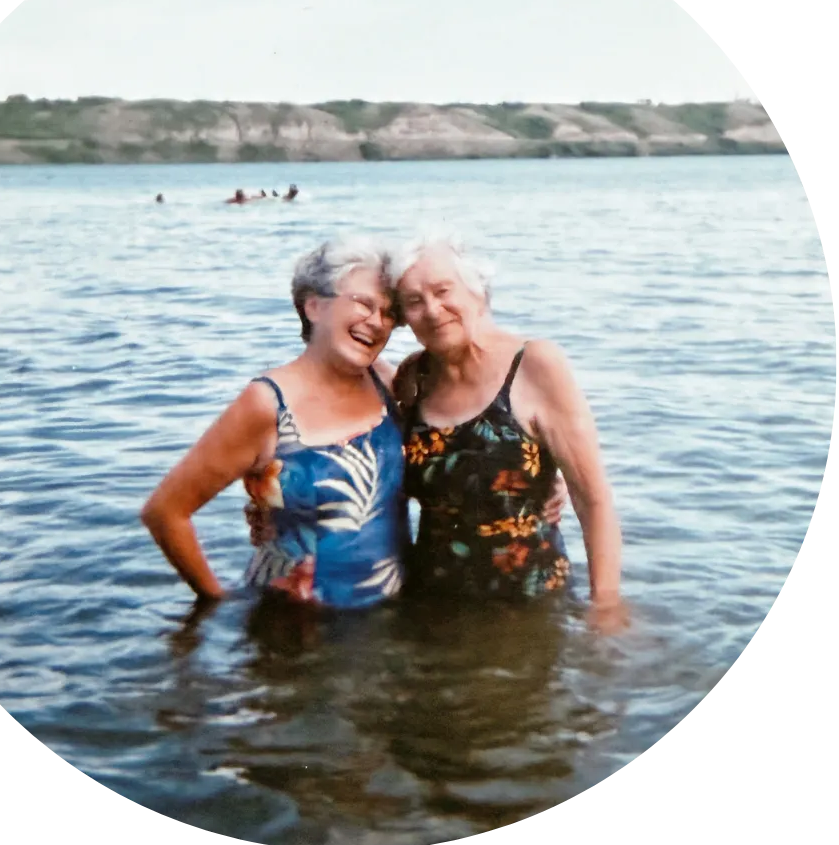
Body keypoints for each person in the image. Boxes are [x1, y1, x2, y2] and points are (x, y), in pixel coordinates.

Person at [140, 237, 412, 609]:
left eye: (389, 313)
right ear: (314, 306)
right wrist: (218, 602)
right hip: (296, 624)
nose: (377, 322)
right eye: (363, 303)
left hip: (389, 617)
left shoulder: (387, 384)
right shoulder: (266, 404)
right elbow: (165, 512)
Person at [388, 236, 626, 632]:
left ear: (477, 291)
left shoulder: (534, 365)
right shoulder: (414, 377)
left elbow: (593, 499)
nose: (431, 309)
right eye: (414, 301)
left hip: (529, 605)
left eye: (443, 291)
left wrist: (606, 607)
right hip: (430, 607)